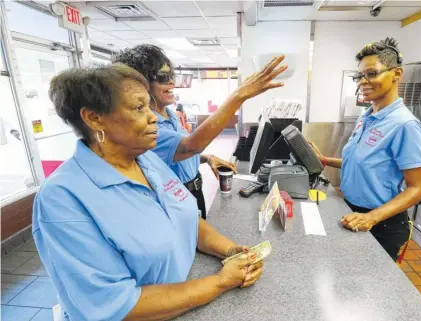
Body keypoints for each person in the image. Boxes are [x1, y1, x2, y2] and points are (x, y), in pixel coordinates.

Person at [32, 61, 285, 320]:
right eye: (139, 108)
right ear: (94, 118)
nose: (153, 116)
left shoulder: (147, 160)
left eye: (149, 106)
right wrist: (220, 282)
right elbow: (116, 306)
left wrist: (231, 251)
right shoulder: (62, 198)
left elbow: (185, 220)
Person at [113, 46, 286, 219]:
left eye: (171, 76)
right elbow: (190, 146)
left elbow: (174, 154)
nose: (171, 82)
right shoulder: (145, 126)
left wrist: (206, 158)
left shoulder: (170, 114)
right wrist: (239, 96)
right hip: (175, 199)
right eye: (163, 77)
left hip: (194, 191)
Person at [309, 37, 421, 261]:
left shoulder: (405, 125)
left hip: (382, 225)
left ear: (397, 74)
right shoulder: (367, 117)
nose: (363, 81)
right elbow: (364, 163)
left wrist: (372, 218)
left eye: (372, 74)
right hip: (353, 212)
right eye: (360, 76)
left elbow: (418, 189)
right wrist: (324, 159)